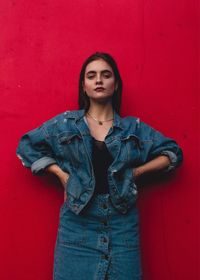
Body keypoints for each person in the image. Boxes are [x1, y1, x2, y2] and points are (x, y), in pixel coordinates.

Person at [16, 52, 183, 280]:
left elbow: (172, 153)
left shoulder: (132, 129)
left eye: (106, 75)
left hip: (122, 226)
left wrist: (136, 172)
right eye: (91, 75)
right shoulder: (66, 124)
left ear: (115, 85)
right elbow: (27, 146)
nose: (98, 80)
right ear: (84, 86)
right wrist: (60, 174)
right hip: (78, 225)